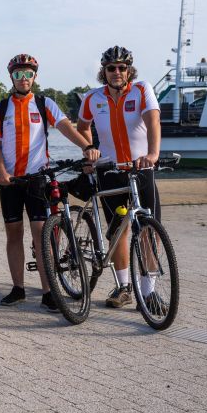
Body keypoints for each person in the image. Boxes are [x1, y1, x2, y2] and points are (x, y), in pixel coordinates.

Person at [0, 53, 99, 311]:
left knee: (42, 234)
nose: (23, 78)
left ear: (35, 77)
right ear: (12, 77)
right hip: (11, 181)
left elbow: (66, 127)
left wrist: (87, 147)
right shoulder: (1, 108)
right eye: (18, 74)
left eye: (28, 74)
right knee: (14, 233)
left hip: (38, 178)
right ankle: (18, 288)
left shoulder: (43, 103)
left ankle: (48, 291)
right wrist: (1, 172)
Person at [77, 46, 162, 311]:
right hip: (109, 171)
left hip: (140, 168)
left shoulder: (141, 90)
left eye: (121, 68)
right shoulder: (92, 98)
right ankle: (124, 287)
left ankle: (148, 292)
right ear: (103, 71)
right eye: (111, 68)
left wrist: (153, 154)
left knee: (149, 230)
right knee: (118, 231)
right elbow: (82, 127)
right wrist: (89, 151)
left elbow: (153, 121)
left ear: (129, 70)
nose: (116, 72)